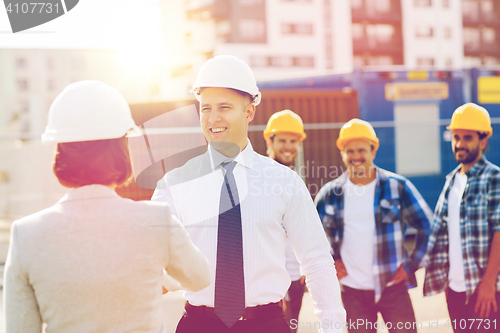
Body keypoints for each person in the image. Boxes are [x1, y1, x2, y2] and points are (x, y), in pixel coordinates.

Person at [152, 55, 345, 333]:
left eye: (224, 107)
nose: (213, 118)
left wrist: (333, 328)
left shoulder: (284, 182)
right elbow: (152, 258)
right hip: (198, 325)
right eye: (205, 108)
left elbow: (315, 259)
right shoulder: (175, 183)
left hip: (266, 325)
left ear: (250, 111)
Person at [3, 81, 210, 333]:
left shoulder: (26, 234)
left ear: (60, 153)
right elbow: (200, 277)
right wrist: (150, 273)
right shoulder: (157, 221)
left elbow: (20, 328)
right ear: (122, 150)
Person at [315, 118, 432, 333]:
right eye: (350, 151)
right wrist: (332, 260)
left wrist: (411, 265)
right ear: (342, 153)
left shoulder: (397, 187)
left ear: (373, 151)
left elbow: (428, 226)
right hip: (352, 292)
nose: (356, 157)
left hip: (393, 288)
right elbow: (311, 236)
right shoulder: (330, 193)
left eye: (362, 150)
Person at [423, 103, 500, 333]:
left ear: (483, 141)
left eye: (467, 137)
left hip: (484, 289)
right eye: (456, 137)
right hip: (455, 290)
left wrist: (488, 283)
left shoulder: (493, 178)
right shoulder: (452, 180)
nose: (459, 143)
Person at [263, 109, 307, 332]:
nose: (288, 146)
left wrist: (303, 268)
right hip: (271, 280)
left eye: (293, 141)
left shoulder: (295, 181)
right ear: (270, 141)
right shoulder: (260, 179)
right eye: (282, 140)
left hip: (295, 278)